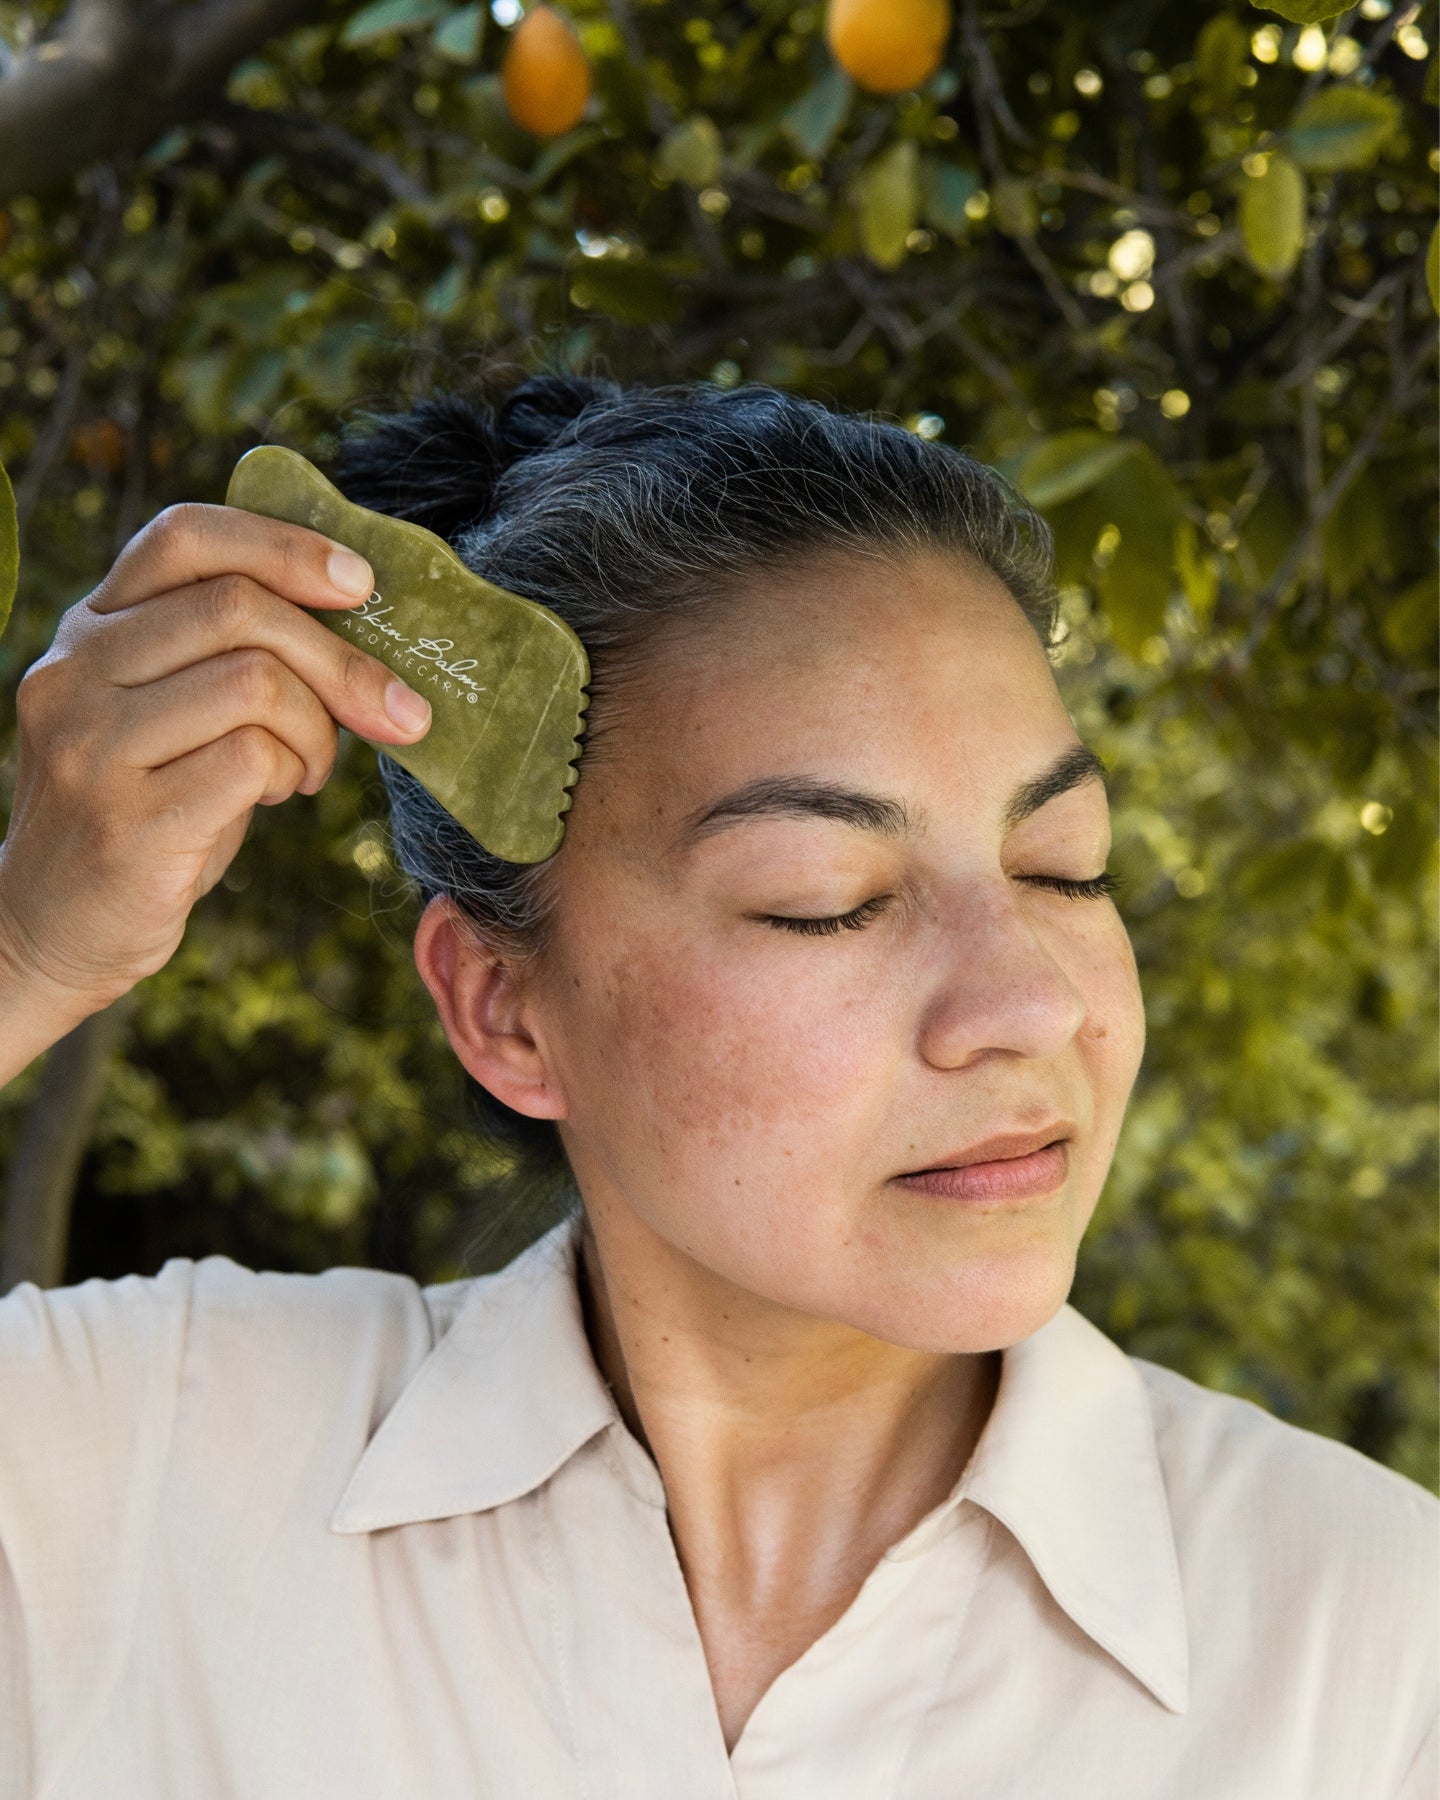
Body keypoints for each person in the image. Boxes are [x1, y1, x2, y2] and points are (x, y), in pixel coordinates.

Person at [0, 376, 1433, 1800]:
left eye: (1064, 865)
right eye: (827, 899)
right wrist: (25, 948)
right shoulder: (139, 1471)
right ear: (506, 1010)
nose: (1032, 1003)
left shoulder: (1370, 1644)